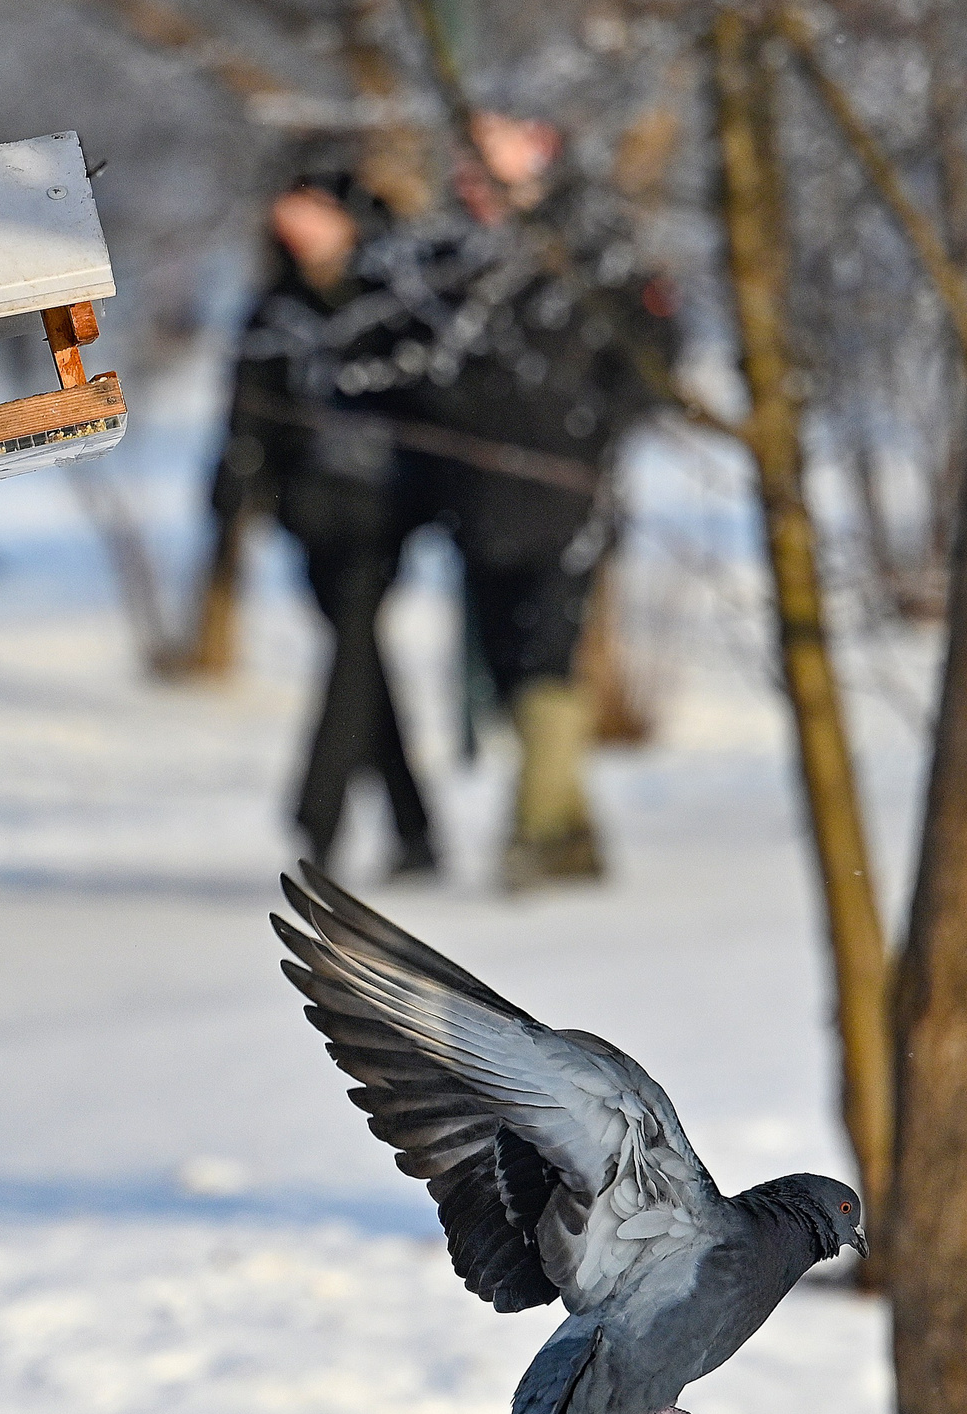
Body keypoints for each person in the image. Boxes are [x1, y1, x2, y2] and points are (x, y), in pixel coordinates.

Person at [366, 115, 677, 890]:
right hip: (479, 502)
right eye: (467, 166)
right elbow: (412, 375)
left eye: (491, 165)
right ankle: (573, 833)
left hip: (569, 493)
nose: (474, 181)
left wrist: (591, 428)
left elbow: (651, 359)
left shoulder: (591, 254)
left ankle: (533, 836)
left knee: (548, 657)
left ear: (539, 157)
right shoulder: (441, 263)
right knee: (512, 669)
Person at [215, 158, 440, 878]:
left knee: (351, 650)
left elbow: (425, 400)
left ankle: (320, 816)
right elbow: (246, 414)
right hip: (307, 513)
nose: (294, 221)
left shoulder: (389, 301)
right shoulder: (272, 307)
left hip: (383, 513)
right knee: (359, 657)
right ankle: (415, 830)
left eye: (311, 207)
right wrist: (238, 498)